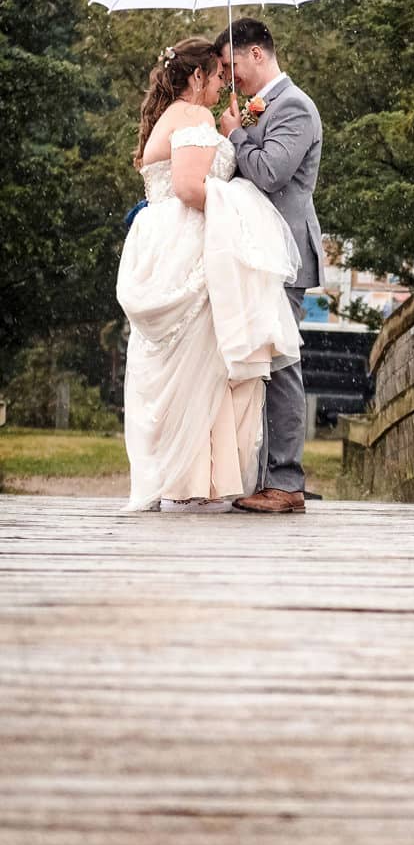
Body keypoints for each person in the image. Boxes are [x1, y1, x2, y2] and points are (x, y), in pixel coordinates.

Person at [115, 37, 302, 512]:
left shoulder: (173, 116)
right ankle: (195, 477)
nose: (225, 82)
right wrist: (244, 206)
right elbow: (189, 187)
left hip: (164, 242)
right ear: (197, 77)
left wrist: (229, 131)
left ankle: (187, 474)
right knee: (203, 361)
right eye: (219, 74)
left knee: (184, 361)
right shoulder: (193, 117)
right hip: (190, 247)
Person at [213, 18, 326, 515]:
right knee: (259, 362)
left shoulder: (295, 107)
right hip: (256, 254)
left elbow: (271, 172)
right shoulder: (262, 108)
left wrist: (237, 134)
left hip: (283, 258)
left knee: (281, 366)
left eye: (232, 65)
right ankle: (262, 477)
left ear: (257, 54)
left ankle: (286, 482)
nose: (230, 76)